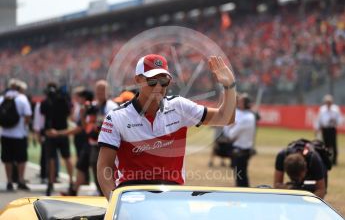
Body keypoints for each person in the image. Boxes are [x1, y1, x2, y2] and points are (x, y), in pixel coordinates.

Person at [97, 54, 237, 200]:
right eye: (152, 81)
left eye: (164, 81)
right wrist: (115, 203)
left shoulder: (179, 107)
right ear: (138, 80)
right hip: (132, 195)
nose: (159, 86)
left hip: (172, 196)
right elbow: (103, 167)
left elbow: (226, 118)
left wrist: (229, 85)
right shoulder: (115, 117)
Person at [48, 81, 117, 196]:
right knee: (84, 165)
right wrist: (83, 115)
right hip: (92, 141)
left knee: (101, 168)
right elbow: (87, 128)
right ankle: (75, 190)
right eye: (98, 90)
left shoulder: (111, 106)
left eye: (103, 90)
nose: (100, 93)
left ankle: (105, 193)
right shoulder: (92, 106)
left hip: (105, 143)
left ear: (108, 92)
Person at [40, 82, 73, 195]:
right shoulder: (63, 100)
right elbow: (69, 113)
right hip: (62, 132)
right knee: (67, 157)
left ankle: (50, 183)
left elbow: (42, 115)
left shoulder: (45, 102)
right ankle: (71, 181)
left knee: (51, 159)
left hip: (50, 132)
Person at [0, 79, 32, 191]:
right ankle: (20, 180)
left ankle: (9, 181)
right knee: (21, 159)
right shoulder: (22, 99)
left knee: (7, 159)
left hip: (5, 133)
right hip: (19, 134)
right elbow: (28, 116)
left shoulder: (2, 98)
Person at [223, 93, 256, 187]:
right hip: (242, 150)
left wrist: (229, 126)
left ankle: (244, 194)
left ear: (245, 104)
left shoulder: (246, 118)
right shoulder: (249, 116)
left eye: (240, 101)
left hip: (241, 151)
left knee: (241, 178)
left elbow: (230, 134)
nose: (238, 102)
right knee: (241, 176)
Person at [315, 94, 342, 165]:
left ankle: (334, 161)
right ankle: (326, 160)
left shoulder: (335, 109)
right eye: (327, 101)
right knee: (325, 145)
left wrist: (335, 121)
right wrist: (317, 128)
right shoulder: (322, 109)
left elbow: (340, 119)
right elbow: (319, 119)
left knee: (333, 145)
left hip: (332, 129)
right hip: (325, 129)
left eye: (329, 101)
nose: (328, 103)